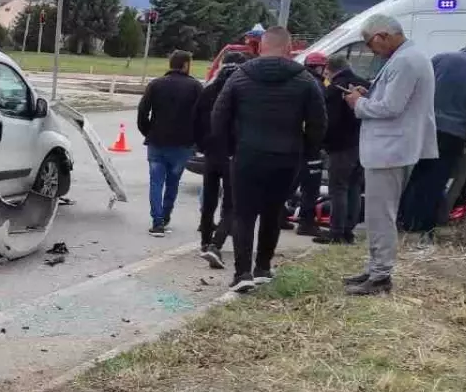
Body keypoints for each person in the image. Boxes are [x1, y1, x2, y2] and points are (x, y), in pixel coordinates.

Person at [211, 27, 326, 292]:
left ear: (261, 47)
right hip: (286, 158)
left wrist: (230, 147)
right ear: (288, 49)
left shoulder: (240, 77)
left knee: (244, 214)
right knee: (274, 213)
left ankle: (242, 273)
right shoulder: (305, 80)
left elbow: (219, 116)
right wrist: (307, 151)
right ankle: (263, 266)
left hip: (248, 154)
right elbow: (319, 122)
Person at [343, 14, 438, 295]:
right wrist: (367, 94)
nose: (372, 50)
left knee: (380, 215)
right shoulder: (405, 59)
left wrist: (358, 104)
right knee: (376, 214)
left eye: (371, 44)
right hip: (392, 148)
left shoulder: (407, 61)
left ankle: (381, 275)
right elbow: (390, 100)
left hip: (391, 150)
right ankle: (375, 269)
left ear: (383, 35)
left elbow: (391, 108)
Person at [398, 31, 466, 235]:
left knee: (416, 176)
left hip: (424, 127)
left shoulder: (440, 58)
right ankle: (421, 227)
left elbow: (418, 89)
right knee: (435, 181)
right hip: (452, 134)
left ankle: (402, 219)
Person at [136, 50, 203, 237]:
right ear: (186, 65)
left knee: (156, 182)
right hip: (183, 144)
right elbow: (202, 117)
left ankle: (156, 223)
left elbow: (142, 112)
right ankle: (165, 216)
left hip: (157, 142)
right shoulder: (196, 87)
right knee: (173, 182)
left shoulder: (155, 85)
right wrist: (196, 139)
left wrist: (148, 131)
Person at [192, 50, 248, 268]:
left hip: (211, 154)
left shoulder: (208, 91)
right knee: (230, 204)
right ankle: (216, 244)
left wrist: (203, 146)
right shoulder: (240, 93)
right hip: (233, 154)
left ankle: (205, 240)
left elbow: (195, 120)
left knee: (209, 199)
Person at [312, 53, 367, 245]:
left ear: (329, 69)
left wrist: (323, 142)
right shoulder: (363, 83)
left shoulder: (335, 88)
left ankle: (336, 232)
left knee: (338, 189)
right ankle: (349, 230)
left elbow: (331, 121)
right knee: (354, 187)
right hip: (362, 143)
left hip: (341, 145)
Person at [291, 52, 331, 236]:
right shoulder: (316, 86)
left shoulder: (297, 80)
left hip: (293, 141)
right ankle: (306, 222)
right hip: (310, 144)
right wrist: (317, 143)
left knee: (292, 181)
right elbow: (318, 118)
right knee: (311, 186)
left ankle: (279, 214)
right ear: (320, 67)